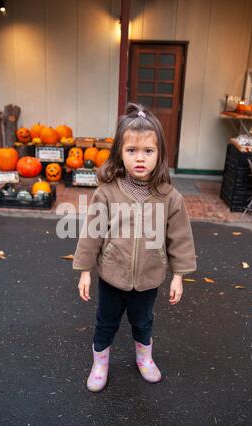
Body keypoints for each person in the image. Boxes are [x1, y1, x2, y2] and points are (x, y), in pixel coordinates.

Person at [73, 102, 197, 392]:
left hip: (148, 278)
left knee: (143, 322)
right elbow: (92, 233)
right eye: (132, 151)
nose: (140, 158)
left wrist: (179, 275)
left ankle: (144, 358)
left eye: (148, 151)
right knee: (106, 322)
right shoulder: (107, 193)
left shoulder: (170, 197)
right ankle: (100, 362)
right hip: (112, 276)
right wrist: (84, 270)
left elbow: (180, 238)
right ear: (120, 153)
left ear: (160, 155)